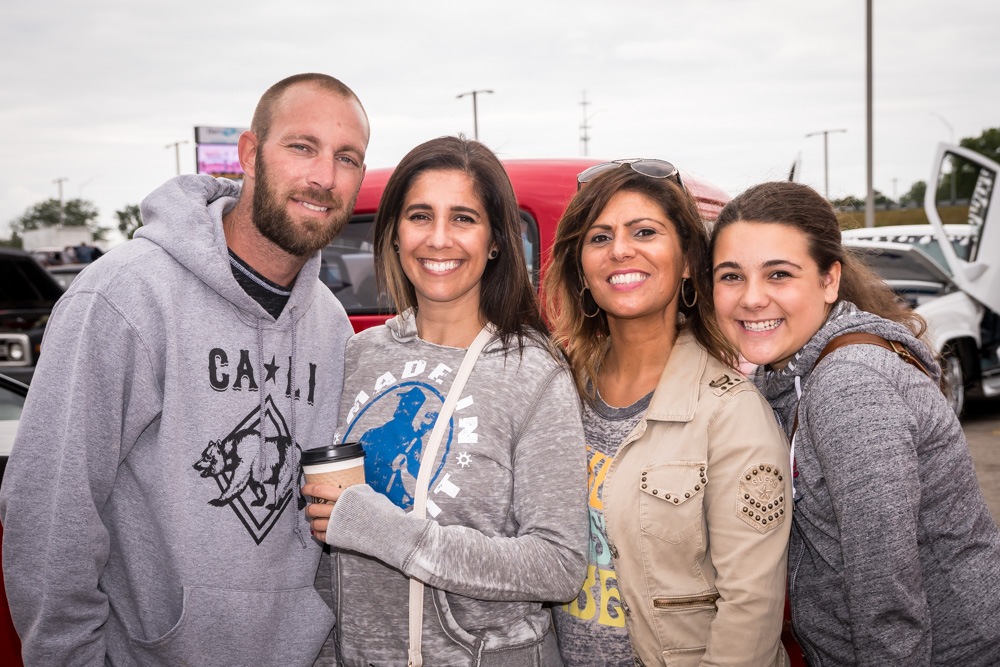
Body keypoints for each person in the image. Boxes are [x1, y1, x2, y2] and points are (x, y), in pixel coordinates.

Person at [0, 73, 370, 666]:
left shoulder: (330, 323)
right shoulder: (123, 296)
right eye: (302, 146)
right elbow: (50, 513)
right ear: (250, 154)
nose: (324, 176)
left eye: (346, 157)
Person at [304, 136, 589, 666]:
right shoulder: (355, 354)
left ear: (496, 240)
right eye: (420, 216)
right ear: (394, 235)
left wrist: (390, 534)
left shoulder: (533, 373)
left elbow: (559, 565)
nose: (438, 239)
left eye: (463, 218)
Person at [710, 181, 1000, 666]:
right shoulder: (789, 370)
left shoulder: (849, 385)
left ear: (829, 281)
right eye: (731, 276)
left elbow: (885, 594)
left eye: (779, 274)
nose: (752, 298)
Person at [543, 160, 791, 667]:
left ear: (687, 263)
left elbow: (750, 610)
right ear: (582, 270)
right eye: (599, 237)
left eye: (645, 232)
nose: (620, 250)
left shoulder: (731, 412)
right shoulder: (555, 387)